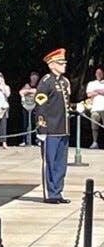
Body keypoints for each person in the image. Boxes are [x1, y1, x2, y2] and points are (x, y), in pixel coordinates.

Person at [35, 48, 71, 204]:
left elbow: (64, 105)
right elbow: (40, 105)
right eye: (60, 62)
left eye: (64, 62)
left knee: (60, 164)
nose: (63, 65)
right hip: (50, 129)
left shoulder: (63, 81)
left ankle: (57, 191)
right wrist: (41, 128)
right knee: (50, 163)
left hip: (63, 129)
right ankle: (50, 193)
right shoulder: (46, 81)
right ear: (51, 65)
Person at [19, 71, 40, 146]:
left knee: (36, 123)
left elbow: (37, 91)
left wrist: (27, 91)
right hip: (26, 106)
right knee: (26, 123)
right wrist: (29, 91)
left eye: (35, 76)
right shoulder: (27, 85)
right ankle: (26, 140)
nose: (34, 78)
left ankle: (37, 140)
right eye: (32, 76)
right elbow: (21, 92)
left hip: (36, 107)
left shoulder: (39, 85)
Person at [86, 67, 104, 149]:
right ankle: (95, 142)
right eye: (97, 73)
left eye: (100, 73)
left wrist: (96, 91)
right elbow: (89, 94)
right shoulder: (91, 83)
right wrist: (100, 91)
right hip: (95, 108)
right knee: (94, 126)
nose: (99, 74)